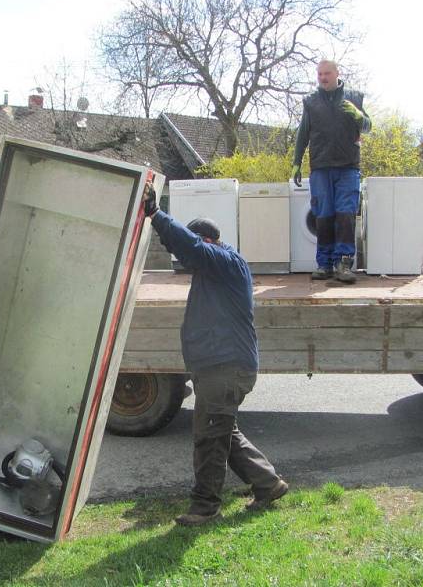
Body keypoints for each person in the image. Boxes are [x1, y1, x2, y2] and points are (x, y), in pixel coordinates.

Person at [143, 185, 288, 527]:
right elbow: (185, 247)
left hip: (226, 368)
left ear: (208, 242)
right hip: (222, 367)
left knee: (209, 437)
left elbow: (189, 246)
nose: (190, 262)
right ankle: (268, 484)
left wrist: (155, 214)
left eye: (196, 249)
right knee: (222, 431)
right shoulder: (216, 269)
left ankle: (205, 507)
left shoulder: (226, 263)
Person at [292, 59, 372, 283]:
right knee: (323, 216)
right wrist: (296, 162)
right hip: (320, 167)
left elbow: (368, 126)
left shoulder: (354, 98)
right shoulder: (311, 102)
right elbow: (302, 134)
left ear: (337, 74)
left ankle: (344, 263)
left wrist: (357, 115)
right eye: (319, 74)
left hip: (348, 167)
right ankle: (324, 263)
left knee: (345, 215)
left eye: (327, 73)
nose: (323, 78)